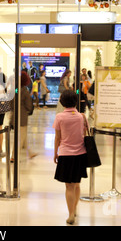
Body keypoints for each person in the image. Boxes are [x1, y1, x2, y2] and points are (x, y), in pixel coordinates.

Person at [53, 89, 88, 225]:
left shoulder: (60, 117)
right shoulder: (82, 117)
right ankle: (74, 209)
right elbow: (84, 134)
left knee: (69, 186)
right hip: (80, 154)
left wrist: (55, 153)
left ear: (62, 102)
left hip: (66, 154)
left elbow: (57, 138)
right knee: (77, 184)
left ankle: (71, 214)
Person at [10, 71, 37, 161]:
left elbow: (11, 104)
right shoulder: (25, 91)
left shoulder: (14, 90)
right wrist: (28, 110)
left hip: (15, 116)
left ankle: (30, 153)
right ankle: (14, 156)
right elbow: (29, 106)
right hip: (22, 117)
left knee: (23, 137)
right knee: (21, 138)